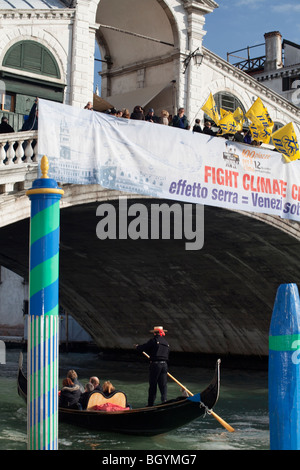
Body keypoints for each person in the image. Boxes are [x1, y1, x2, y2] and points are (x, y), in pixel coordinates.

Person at [136, 326, 170, 407]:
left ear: (154, 333)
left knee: (153, 384)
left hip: (155, 365)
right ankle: (164, 401)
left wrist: (137, 347)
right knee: (163, 384)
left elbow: (144, 347)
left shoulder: (154, 340)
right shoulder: (166, 342)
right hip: (164, 365)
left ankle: (150, 404)